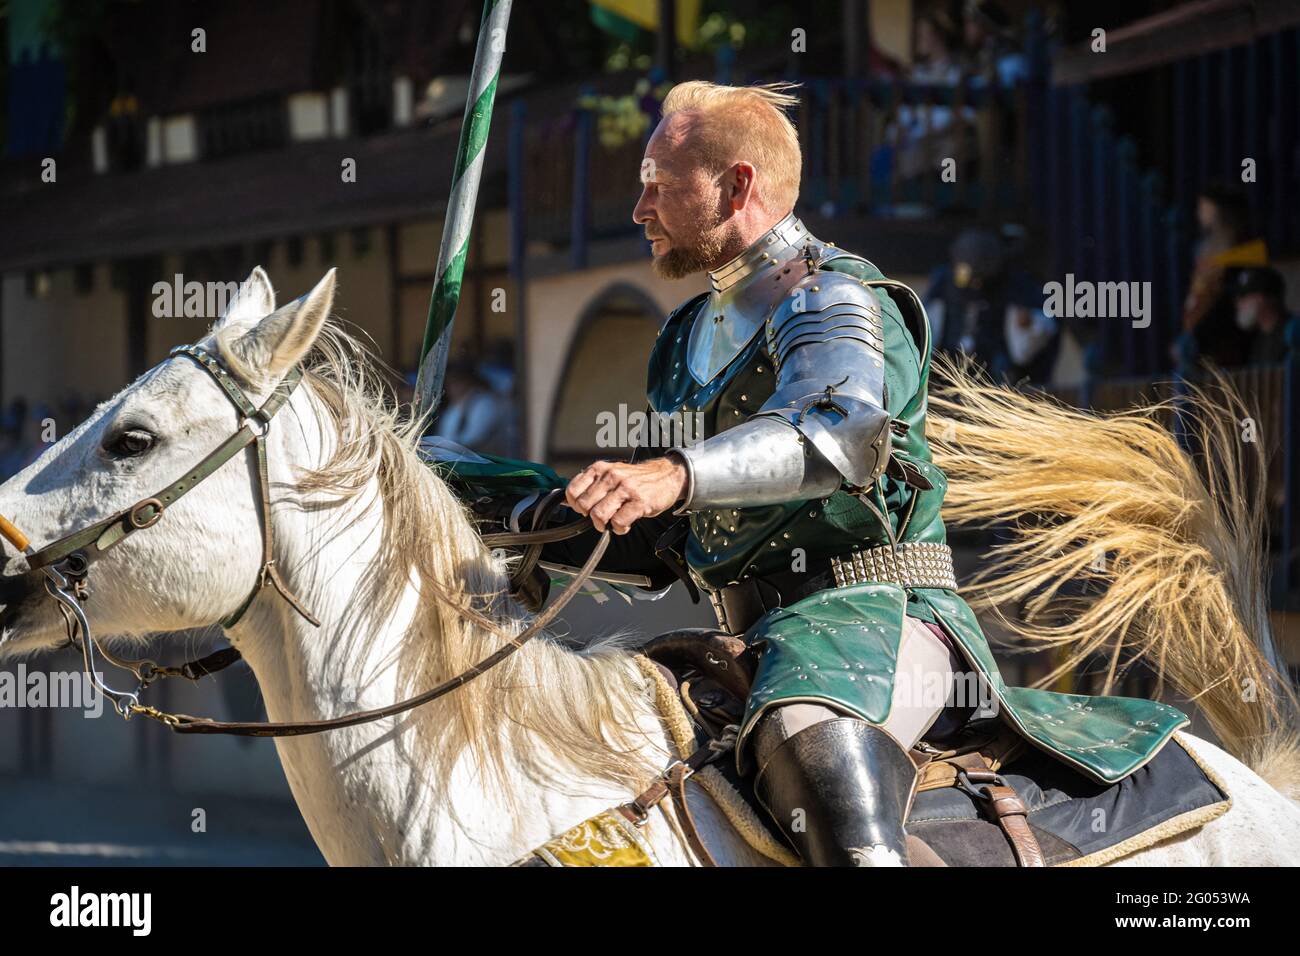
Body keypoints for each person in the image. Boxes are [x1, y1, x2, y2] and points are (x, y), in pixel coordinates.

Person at [482, 81, 1183, 866]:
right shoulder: (682, 339)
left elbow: (838, 431)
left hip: (879, 616)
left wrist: (672, 473)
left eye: (659, 187)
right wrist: (506, 514)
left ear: (737, 184)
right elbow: (686, 533)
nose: (640, 210)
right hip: (750, 634)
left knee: (810, 748)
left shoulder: (829, 293)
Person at [925, 228, 1058, 384]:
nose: (976, 285)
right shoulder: (944, 283)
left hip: (995, 381)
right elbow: (927, 325)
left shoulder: (1015, 286)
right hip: (948, 375)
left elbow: (1030, 343)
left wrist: (1028, 324)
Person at [1181, 184, 1268, 368]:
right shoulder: (1205, 248)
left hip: (1225, 337)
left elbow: (1229, 297)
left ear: (1218, 209)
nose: (1199, 212)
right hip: (1200, 335)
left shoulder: (1241, 248)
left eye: (1203, 206)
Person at [1232, 266, 1294, 366]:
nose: (1238, 304)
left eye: (1244, 296)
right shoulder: (1259, 339)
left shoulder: (1293, 332)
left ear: (1265, 297)